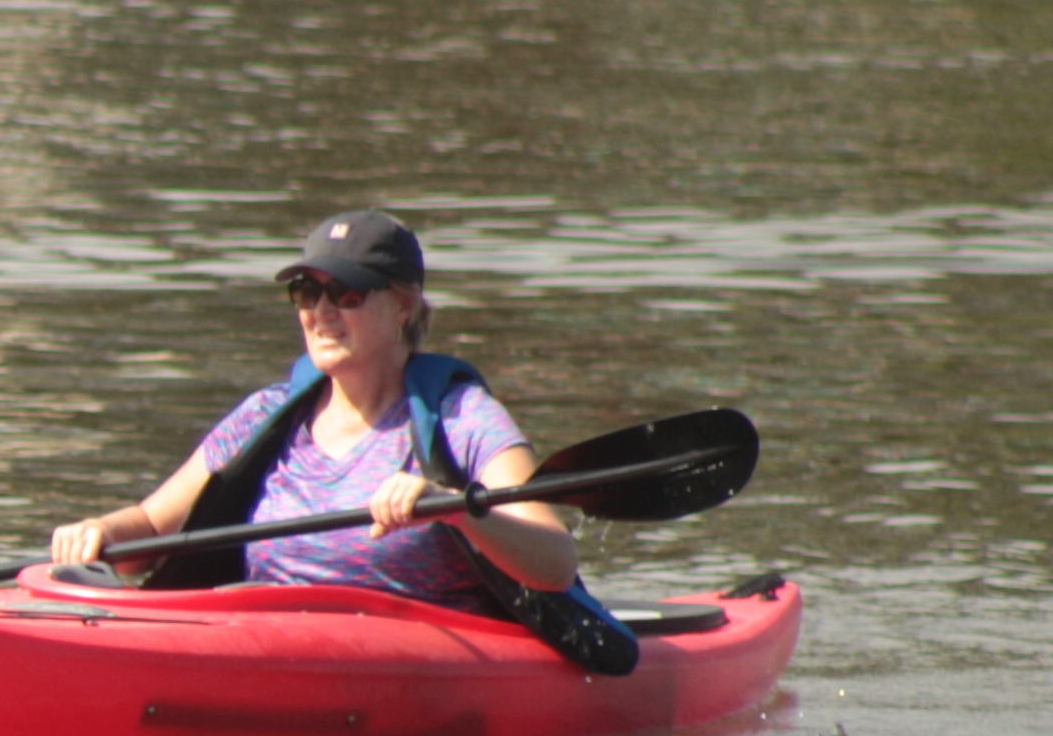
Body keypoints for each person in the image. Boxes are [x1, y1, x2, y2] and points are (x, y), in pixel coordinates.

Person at [43, 210, 635, 669]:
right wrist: (100, 533)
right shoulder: (265, 416)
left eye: (346, 294)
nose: (321, 311)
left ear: (403, 307)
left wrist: (458, 513)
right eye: (307, 293)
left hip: (419, 666)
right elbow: (149, 532)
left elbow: (555, 563)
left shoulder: (464, 420)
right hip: (262, 645)